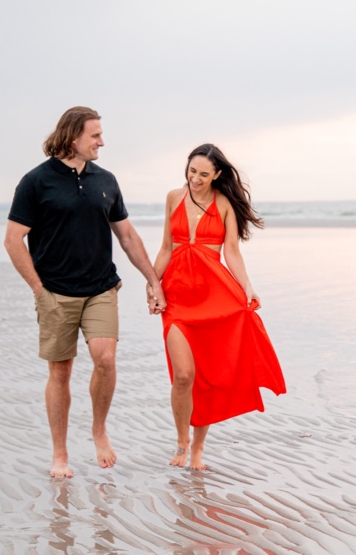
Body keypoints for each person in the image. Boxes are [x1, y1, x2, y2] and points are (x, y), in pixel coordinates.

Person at [5, 108, 160, 478]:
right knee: (60, 372)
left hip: (100, 287)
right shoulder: (36, 182)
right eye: (95, 135)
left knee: (104, 358)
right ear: (73, 136)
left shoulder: (105, 180)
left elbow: (127, 236)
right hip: (55, 292)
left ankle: (99, 430)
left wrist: (152, 279)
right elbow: (13, 240)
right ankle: (60, 453)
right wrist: (38, 289)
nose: (101, 142)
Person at [151, 142, 286, 471]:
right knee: (183, 375)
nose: (195, 179)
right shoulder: (173, 197)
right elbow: (167, 247)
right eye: (192, 171)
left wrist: (247, 287)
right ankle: (181, 441)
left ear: (218, 175)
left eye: (203, 174)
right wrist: (153, 286)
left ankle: (197, 449)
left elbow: (232, 253)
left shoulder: (224, 203)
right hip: (178, 297)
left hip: (213, 297)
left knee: (205, 377)